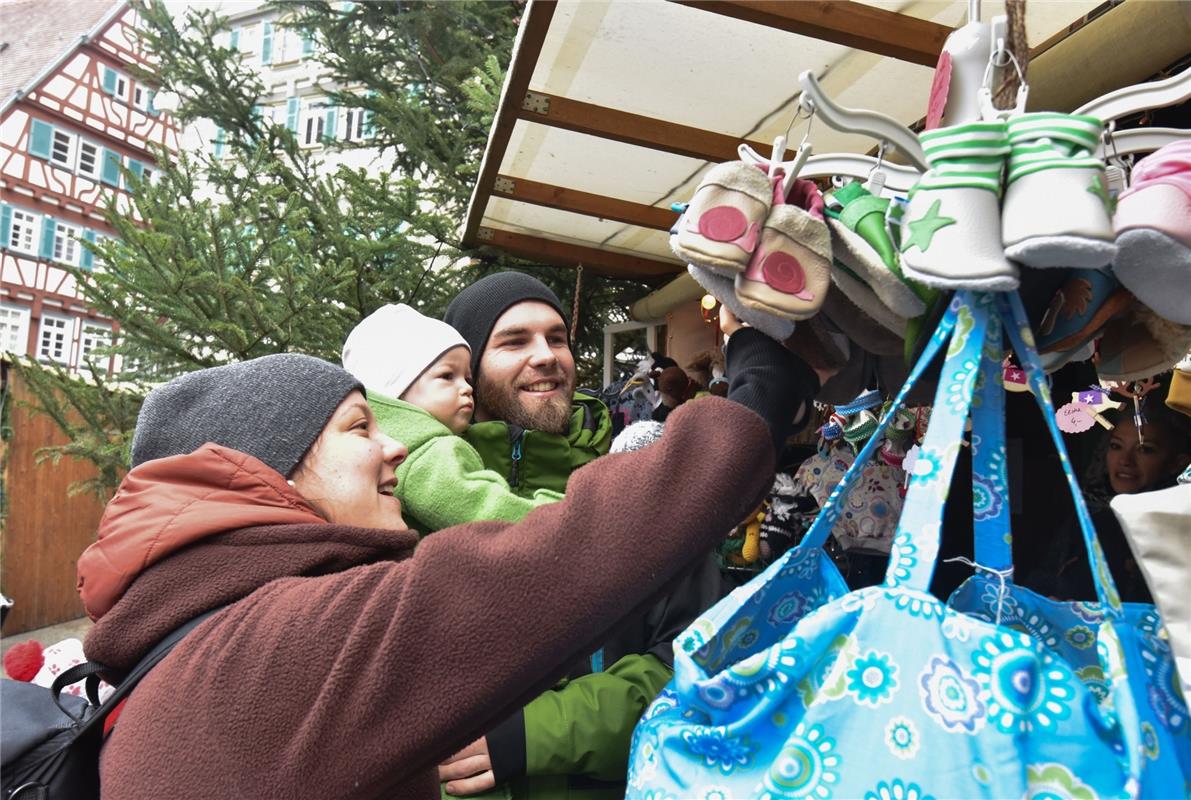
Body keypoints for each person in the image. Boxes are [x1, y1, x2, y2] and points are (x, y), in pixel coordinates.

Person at [75, 327, 808, 799]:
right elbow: (562, 556)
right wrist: (757, 393)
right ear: (272, 470)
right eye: (360, 428)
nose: (395, 445)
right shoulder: (282, 647)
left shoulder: (204, 642)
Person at [439, 273, 821, 798]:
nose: (547, 355)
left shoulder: (634, 484)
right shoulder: (411, 497)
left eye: (557, 338)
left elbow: (697, 660)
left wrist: (536, 734)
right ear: (468, 370)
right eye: (513, 341)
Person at [341, 303, 561, 533]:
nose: (466, 388)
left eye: (467, 378)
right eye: (447, 376)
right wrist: (566, 512)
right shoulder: (430, 453)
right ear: (397, 391)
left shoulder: (377, 450)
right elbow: (485, 511)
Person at [1026, 399, 1191, 602]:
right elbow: (1042, 583)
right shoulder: (1091, 519)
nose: (1125, 461)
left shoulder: (1179, 527)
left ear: (1176, 463)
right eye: (1116, 446)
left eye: (1145, 449)